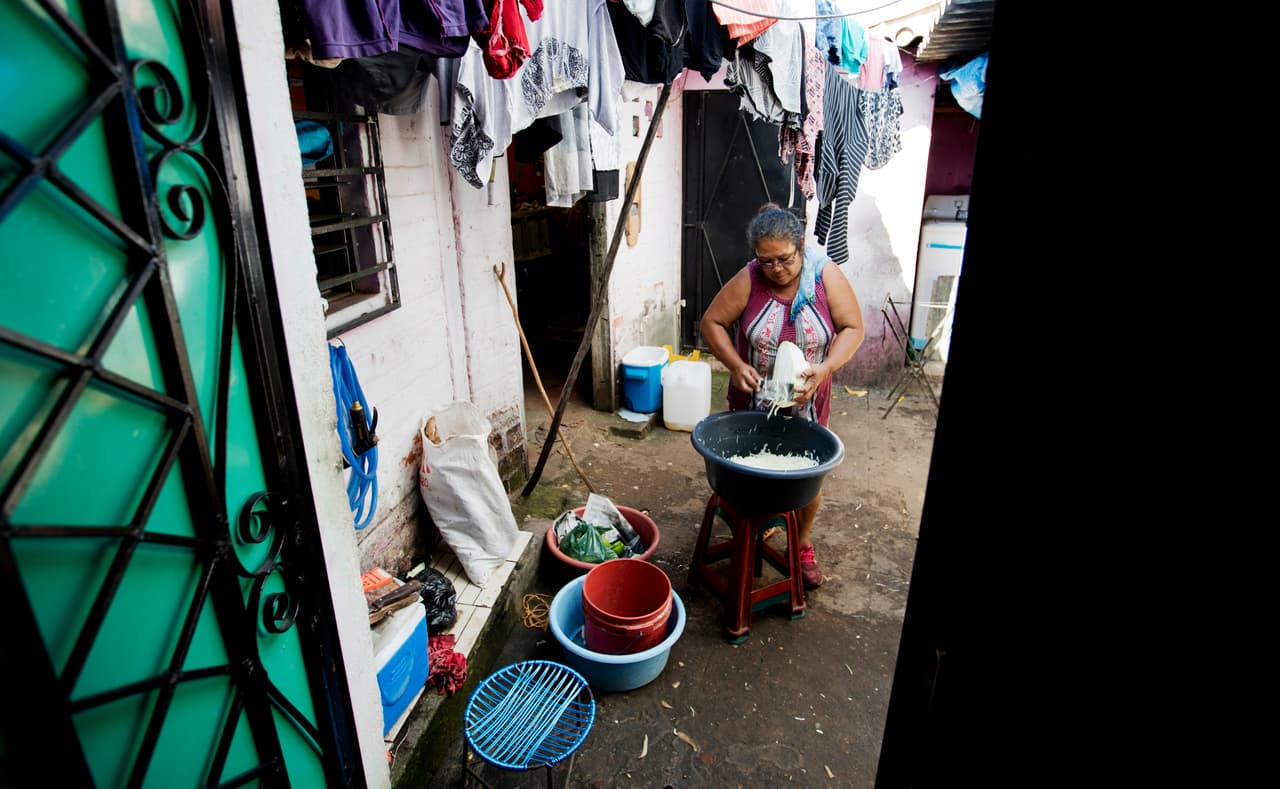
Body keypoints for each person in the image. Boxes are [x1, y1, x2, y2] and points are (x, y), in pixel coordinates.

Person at [699, 203, 865, 588]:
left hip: (807, 401)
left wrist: (825, 369)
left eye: (785, 259)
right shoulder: (750, 278)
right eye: (766, 261)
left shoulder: (825, 277)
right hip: (753, 401)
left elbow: (853, 328)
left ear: (801, 247)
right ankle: (752, 526)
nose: (776, 269)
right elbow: (713, 322)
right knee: (750, 474)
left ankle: (801, 543)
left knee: (807, 481)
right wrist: (736, 365)